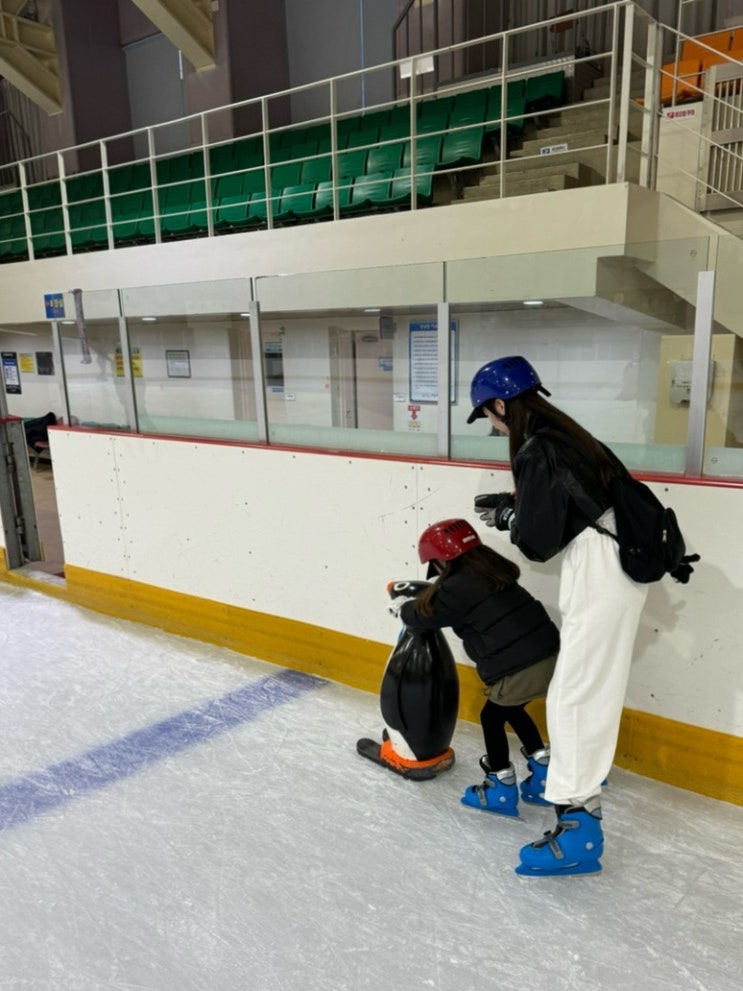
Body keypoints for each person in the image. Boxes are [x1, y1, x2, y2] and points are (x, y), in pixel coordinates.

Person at [467, 354, 650, 877]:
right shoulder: (568, 435)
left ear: (502, 403)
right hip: (613, 565)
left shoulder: (537, 446)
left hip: (601, 569)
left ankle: (579, 829)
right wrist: (519, 500)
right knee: (583, 690)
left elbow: (538, 543)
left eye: (491, 416)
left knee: (575, 696)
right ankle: (579, 801)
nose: (494, 426)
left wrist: (509, 517)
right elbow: (576, 499)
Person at [389, 517, 560, 817]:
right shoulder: (492, 570)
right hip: (551, 657)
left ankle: (500, 786)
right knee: (511, 708)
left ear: (442, 560)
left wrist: (402, 608)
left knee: (491, 718)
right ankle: (544, 771)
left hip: (521, 667)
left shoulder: (458, 586)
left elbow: (424, 616)